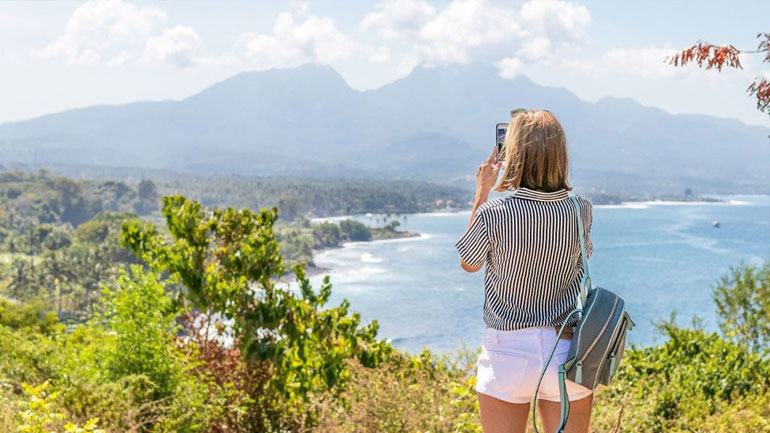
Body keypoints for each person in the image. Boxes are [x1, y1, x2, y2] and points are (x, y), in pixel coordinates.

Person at [455, 109, 594, 433]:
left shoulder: (495, 212)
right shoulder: (580, 210)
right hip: (565, 350)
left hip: (507, 353)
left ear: (514, 154)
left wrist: (482, 191)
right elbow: (583, 257)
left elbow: (469, 262)